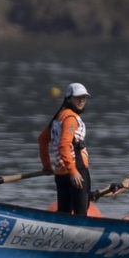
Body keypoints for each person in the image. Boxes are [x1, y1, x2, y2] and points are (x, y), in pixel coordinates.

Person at [39, 82, 92, 216]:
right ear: (69, 99)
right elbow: (64, 145)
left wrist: (47, 166)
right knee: (81, 214)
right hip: (76, 171)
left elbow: (42, 139)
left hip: (61, 174)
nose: (82, 100)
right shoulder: (71, 118)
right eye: (78, 97)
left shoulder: (58, 117)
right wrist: (73, 171)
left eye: (84, 98)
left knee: (64, 214)